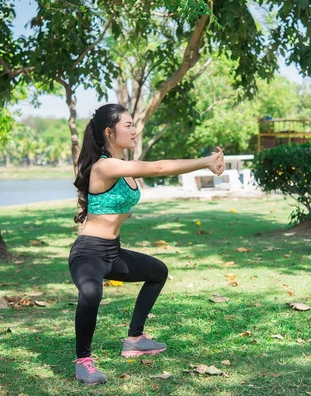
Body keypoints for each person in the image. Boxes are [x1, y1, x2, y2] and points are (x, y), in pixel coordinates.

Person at [69, 103, 225, 385]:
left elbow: (153, 168)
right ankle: (83, 360)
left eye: (133, 124)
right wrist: (204, 162)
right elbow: (160, 167)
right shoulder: (105, 166)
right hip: (88, 253)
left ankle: (134, 338)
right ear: (109, 132)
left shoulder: (124, 168)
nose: (134, 130)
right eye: (127, 125)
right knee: (91, 294)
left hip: (112, 253)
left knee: (157, 272)